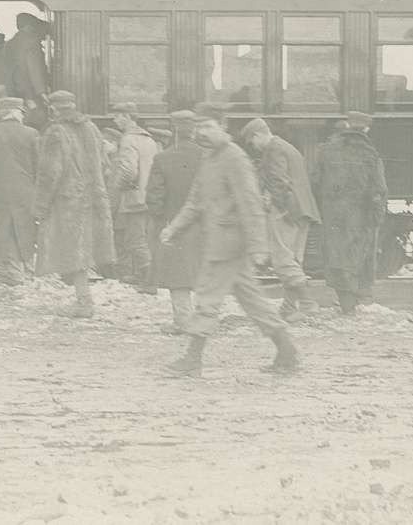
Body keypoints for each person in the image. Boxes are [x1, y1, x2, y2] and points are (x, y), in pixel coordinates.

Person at [161, 103, 299, 377]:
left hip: (229, 245)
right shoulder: (210, 157)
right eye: (199, 127)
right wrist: (174, 227)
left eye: (208, 127)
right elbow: (196, 200)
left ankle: (192, 359)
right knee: (252, 300)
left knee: (207, 297)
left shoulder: (234, 158)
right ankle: (287, 352)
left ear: (223, 127)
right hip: (220, 242)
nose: (202, 132)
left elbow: (250, 203)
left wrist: (259, 247)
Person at [34, 90, 115, 317]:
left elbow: (50, 174)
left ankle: (84, 302)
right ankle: (84, 299)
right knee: (84, 249)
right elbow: (107, 166)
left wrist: (40, 206)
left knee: (75, 251)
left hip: (68, 202)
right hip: (94, 197)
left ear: (53, 109)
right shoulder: (92, 129)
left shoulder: (55, 132)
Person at [238, 118, 322, 321]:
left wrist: (277, 206)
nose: (254, 147)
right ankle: (289, 307)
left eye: (252, 142)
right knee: (293, 260)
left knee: (283, 260)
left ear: (257, 135)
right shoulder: (288, 147)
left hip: (286, 211)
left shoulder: (273, 149)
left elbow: (278, 181)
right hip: (303, 210)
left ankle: (308, 304)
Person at [312, 112, 388, 313]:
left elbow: (316, 182)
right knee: (357, 254)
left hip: (333, 214)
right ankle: (357, 300)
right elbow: (378, 189)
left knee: (336, 254)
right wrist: (377, 214)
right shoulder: (370, 154)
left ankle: (345, 301)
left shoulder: (326, 150)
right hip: (359, 216)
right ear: (366, 129)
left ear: (347, 126)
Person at [145, 109, 203, 333]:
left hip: (173, 223)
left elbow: (154, 197)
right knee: (201, 270)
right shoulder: (207, 155)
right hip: (204, 223)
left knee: (178, 274)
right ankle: (205, 318)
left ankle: (183, 321)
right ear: (194, 131)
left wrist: (159, 220)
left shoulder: (163, 158)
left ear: (173, 130)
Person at [0, 96, 38, 286]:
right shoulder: (32, 133)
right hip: (25, 190)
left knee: (0, 229)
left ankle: (10, 271)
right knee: (23, 227)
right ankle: (24, 268)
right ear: (17, 113)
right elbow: (39, 167)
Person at [108, 102, 159, 289]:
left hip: (133, 198)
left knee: (135, 239)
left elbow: (128, 170)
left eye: (117, 116)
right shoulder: (149, 139)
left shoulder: (128, 139)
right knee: (142, 237)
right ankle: (141, 274)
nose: (115, 120)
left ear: (127, 117)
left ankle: (149, 280)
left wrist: (117, 188)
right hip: (147, 195)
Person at [6, 13, 51, 129]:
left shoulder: (12, 42)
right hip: (30, 91)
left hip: (16, 89)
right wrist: (42, 92)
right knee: (38, 120)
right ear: (29, 27)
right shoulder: (31, 43)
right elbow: (34, 69)